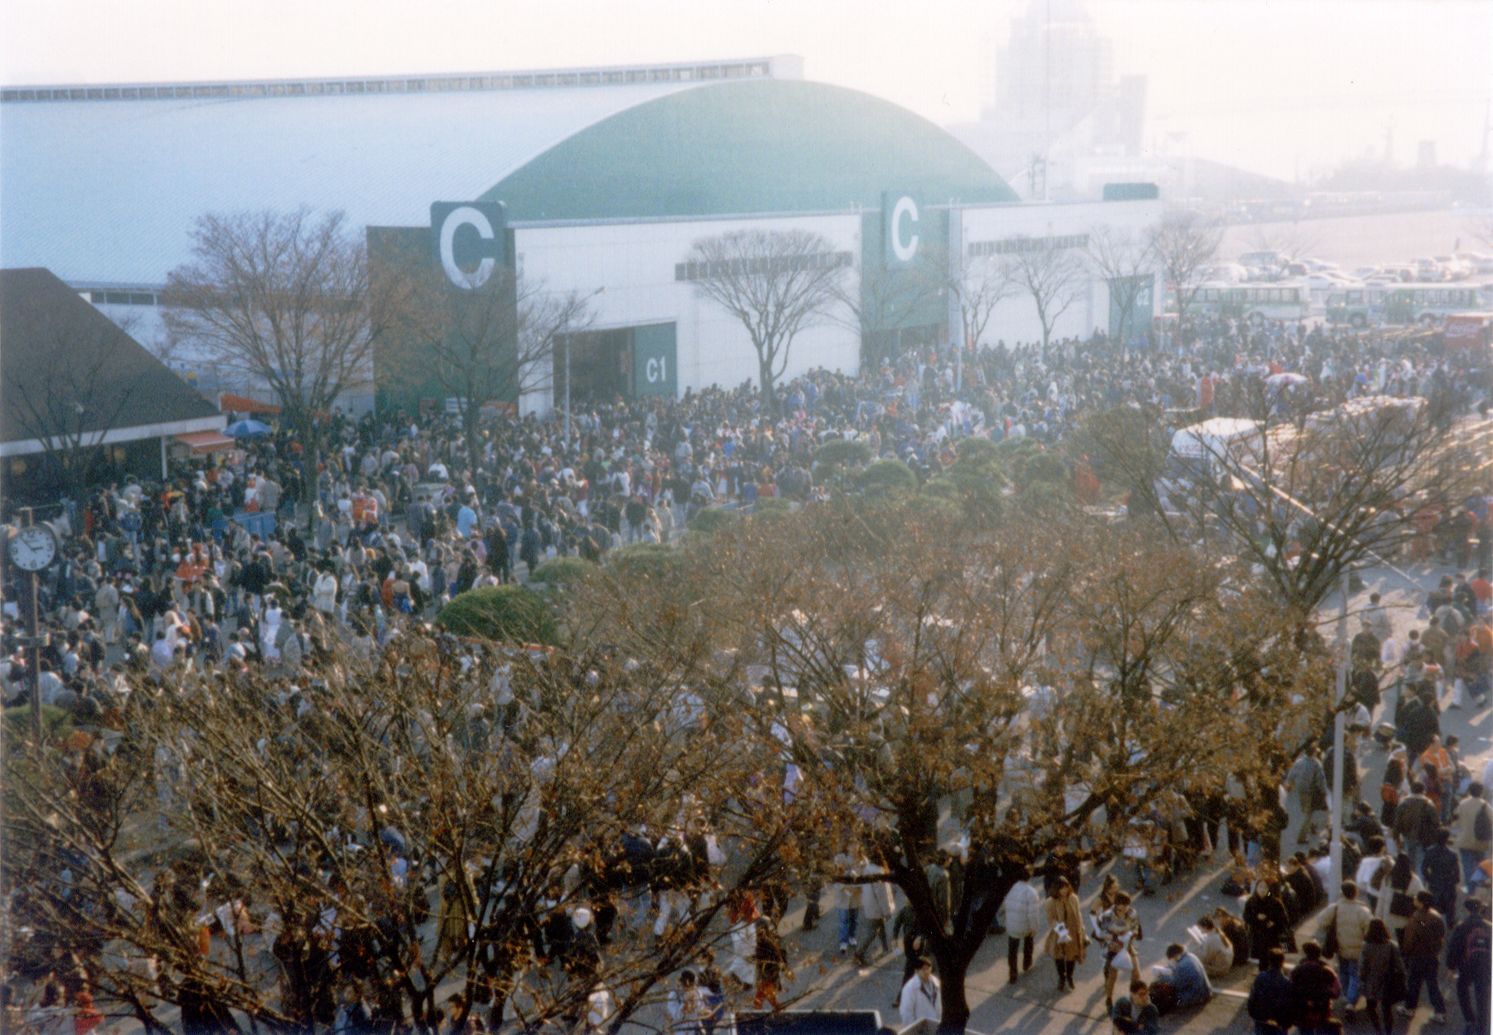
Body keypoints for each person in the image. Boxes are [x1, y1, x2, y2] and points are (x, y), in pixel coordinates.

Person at [1320, 880, 1374, 1019]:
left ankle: (1345, 994)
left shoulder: (1335, 908)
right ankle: (1351, 1002)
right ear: (1355, 893)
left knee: (1343, 971)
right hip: (1357, 950)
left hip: (1341, 947)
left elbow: (1322, 922)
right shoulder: (1363, 911)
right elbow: (1370, 930)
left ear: (1342, 893)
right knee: (1355, 975)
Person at [1397, 890, 1448, 1025]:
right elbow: (1441, 934)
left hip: (1417, 955)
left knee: (1414, 983)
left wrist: (1406, 952)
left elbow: (1410, 939)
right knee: (1432, 984)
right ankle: (1440, 1012)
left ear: (1420, 902)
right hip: (1432, 956)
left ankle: (1409, 1008)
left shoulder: (1416, 917)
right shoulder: (1437, 916)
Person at [1444, 899, 1490, 1035]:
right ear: (1481, 908)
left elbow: (1454, 948)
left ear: (1466, 909)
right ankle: (1482, 1026)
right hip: (1485, 967)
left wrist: (1451, 967)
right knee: (1482, 996)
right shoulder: (1489, 926)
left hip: (1467, 966)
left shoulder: (1463, 926)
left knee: (1462, 989)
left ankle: (1470, 1019)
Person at [1359, 918, 1408, 1035]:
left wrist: (1362, 977)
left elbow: (1362, 966)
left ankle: (1377, 1029)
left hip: (1371, 980)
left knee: (1371, 1006)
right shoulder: (1392, 945)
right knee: (1386, 1009)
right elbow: (1400, 965)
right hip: (1387, 981)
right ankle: (1388, 1031)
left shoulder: (1366, 946)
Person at [999, 865, 1042, 986]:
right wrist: (1035, 927)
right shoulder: (1031, 892)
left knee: (1012, 950)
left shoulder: (1011, 887)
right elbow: (1033, 914)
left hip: (1013, 925)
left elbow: (1005, 905)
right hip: (1026, 926)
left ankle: (1013, 973)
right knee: (1028, 944)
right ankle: (1026, 964)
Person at [1288, 939, 1341, 1035]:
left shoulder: (1296, 970)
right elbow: (1336, 991)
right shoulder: (1326, 970)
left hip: (1302, 1010)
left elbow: (1288, 988)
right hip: (1322, 1010)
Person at [1043, 876, 1086, 992]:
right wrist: (1062, 931)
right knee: (1059, 956)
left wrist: (1081, 929)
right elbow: (1050, 920)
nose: (1064, 891)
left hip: (1072, 930)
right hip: (1059, 932)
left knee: (1071, 956)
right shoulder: (1050, 901)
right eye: (1061, 888)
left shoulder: (1073, 898)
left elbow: (1078, 914)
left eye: (1066, 887)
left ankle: (1069, 976)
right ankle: (1061, 977)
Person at [1246, 947, 1294, 1035]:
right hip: (1279, 1023)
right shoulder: (1287, 982)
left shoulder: (1261, 977)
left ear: (1269, 961)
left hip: (1262, 1019)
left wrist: (1253, 1014)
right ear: (1282, 962)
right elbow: (1290, 1005)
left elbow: (1253, 998)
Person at [1155, 942, 1210, 1010]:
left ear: (1175, 955)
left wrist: (1162, 976)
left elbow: (1174, 984)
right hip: (1204, 991)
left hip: (1196, 997)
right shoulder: (1191, 956)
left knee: (1167, 997)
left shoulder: (1181, 966)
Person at [897, 957, 941, 1028]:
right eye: (924, 969)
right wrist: (914, 1029)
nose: (927, 971)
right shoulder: (910, 988)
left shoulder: (936, 983)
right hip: (922, 1029)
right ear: (917, 970)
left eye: (928, 968)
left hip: (938, 1026)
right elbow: (906, 1013)